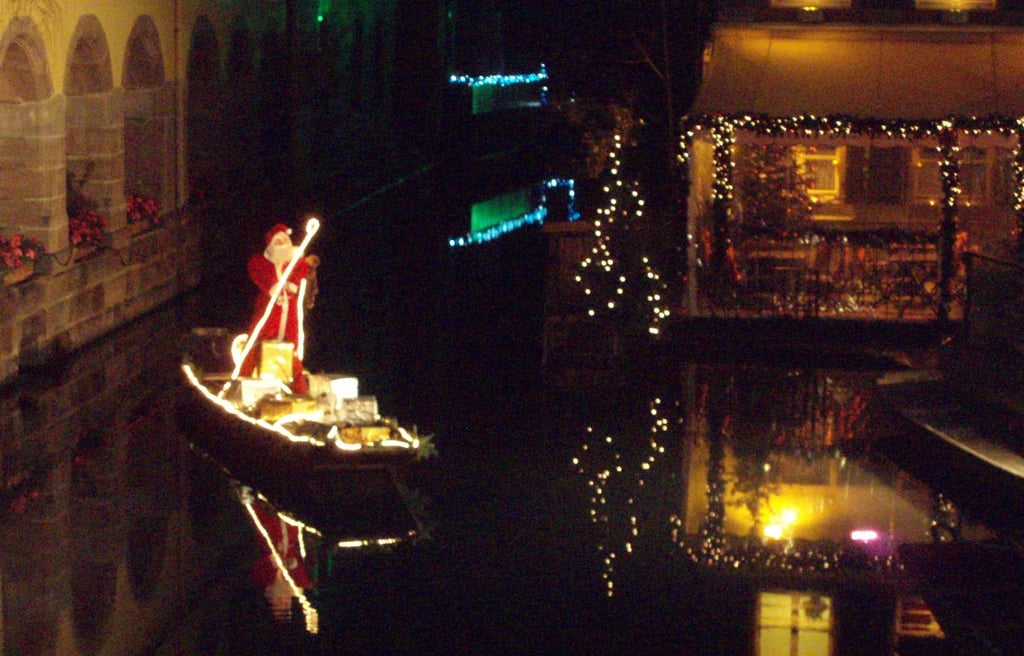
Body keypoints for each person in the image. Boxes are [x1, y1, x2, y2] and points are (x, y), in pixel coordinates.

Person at [240, 223, 312, 394]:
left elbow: (302, 268)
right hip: (269, 313)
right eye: (277, 242)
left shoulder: (294, 263)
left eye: (284, 242)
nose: (281, 245)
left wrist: (292, 283)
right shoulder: (261, 262)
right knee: (256, 346)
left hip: (288, 315)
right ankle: (242, 383)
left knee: (291, 352)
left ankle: (299, 392)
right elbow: (257, 272)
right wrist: (272, 286)